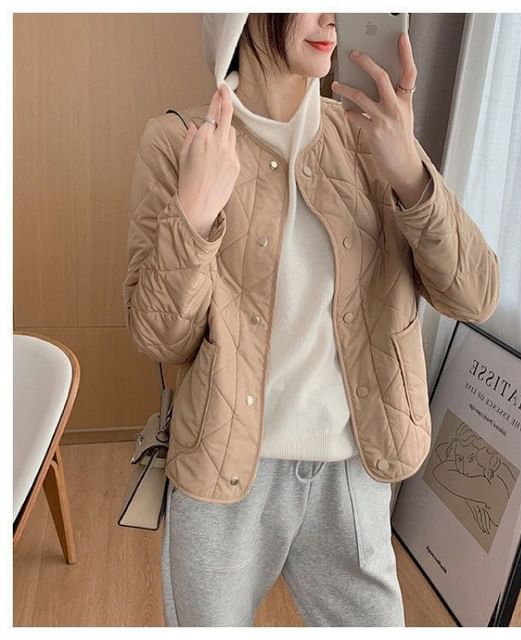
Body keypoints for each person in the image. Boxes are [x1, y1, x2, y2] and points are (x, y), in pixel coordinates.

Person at [123, 12, 499, 627]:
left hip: (352, 471)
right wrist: (194, 214)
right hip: (223, 470)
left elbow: (475, 297)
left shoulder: (368, 137)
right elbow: (158, 336)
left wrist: (410, 172)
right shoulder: (180, 142)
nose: (331, 15)